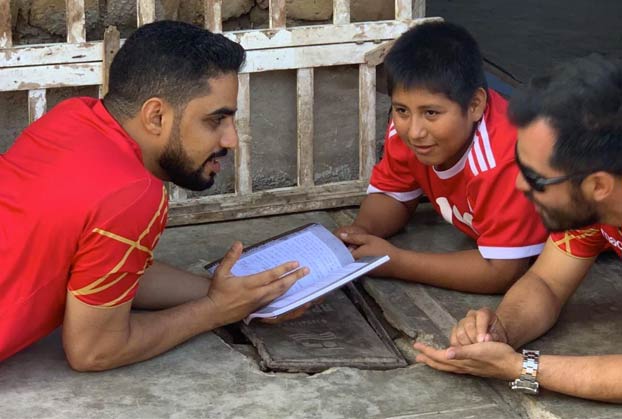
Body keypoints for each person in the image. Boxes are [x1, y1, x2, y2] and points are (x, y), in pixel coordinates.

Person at [0, 21, 309, 370]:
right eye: (215, 120)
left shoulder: (73, 117)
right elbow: (94, 350)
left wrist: (233, 295)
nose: (231, 140)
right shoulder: (132, 194)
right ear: (156, 116)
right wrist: (215, 311)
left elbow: (106, 266)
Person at [414, 55, 622, 403]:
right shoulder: (597, 204)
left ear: (598, 185)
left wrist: (521, 368)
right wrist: (499, 332)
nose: (520, 186)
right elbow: (547, 283)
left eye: (535, 177)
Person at [336, 22, 547, 293]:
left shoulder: (504, 160)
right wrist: (359, 233)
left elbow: (502, 271)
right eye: (401, 110)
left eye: (431, 113)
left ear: (474, 105)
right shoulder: (408, 130)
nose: (414, 131)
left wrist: (395, 261)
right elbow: (392, 194)